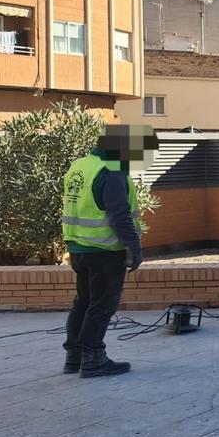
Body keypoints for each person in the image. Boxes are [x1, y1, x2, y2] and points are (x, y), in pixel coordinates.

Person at [61, 124, 156, 378]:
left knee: (83, 302)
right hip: (104, 250)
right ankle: (93, 359)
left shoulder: (80, 165)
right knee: (102, 306)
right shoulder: (111, 172)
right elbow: (119, 216)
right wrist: (135, 248)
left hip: (79, 248)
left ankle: (75, 357)